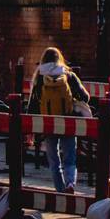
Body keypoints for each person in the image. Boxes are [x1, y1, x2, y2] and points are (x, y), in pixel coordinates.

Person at [26, 47, 91, 194]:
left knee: (54, 160)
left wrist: (29, 129)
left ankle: (60, 190)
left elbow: (33, 104)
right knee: (70, 157)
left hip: (48, 124)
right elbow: (85, 97)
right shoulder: (68, 75)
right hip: (68, 122)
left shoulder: (40, 78)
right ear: (59, 59)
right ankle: (70, 184)